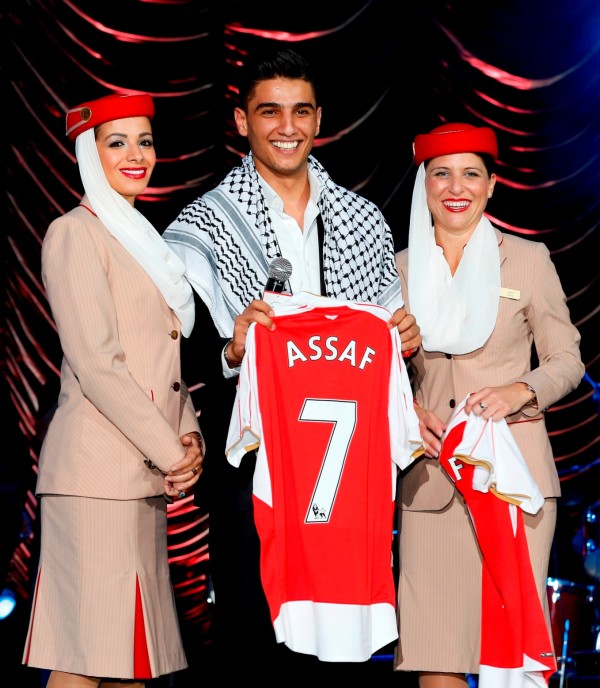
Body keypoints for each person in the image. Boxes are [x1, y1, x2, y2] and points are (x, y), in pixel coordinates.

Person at [162, 47, 421, 675]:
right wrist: (230, 349)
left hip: (346, 479)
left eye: (301, 111)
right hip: (252, 470)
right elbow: (176, 355)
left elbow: (387, 345)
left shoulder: (363, 221)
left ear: (319, 119)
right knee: (255, 647)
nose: (287, 126)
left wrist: (403, 339)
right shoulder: (202, 227)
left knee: (341, 655)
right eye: (269, 111)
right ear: (241, 120)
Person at [22, 93, 205, 688]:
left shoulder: (141, 239)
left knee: (130, 662)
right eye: (117, 142)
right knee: (86, 659)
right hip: (95, 478)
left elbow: (162, 361)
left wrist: (189, 436)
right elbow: (98, 364)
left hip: (140, 475)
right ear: (88, 154)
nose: (136, 155)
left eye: (144, 142)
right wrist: (171, 451)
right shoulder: (74, 233)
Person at [394, 122, 585, 688]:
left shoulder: (527, 258)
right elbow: (378, 375)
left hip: (512, 479)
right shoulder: (397, 269)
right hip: (431, 482)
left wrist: (519, 392)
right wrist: (409, 413)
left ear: (492, 185)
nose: (457, 188)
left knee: (511, 650)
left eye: (471, 175)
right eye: (442, 174)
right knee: (437, 651)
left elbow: (566, 360)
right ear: (424, 185)